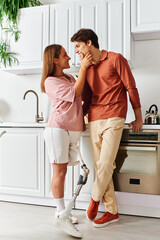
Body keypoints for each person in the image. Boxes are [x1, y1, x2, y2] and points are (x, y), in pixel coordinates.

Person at [71, 29, 143, 228]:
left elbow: (131, 87)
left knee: (105, 163)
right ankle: (111, 211)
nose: (76, 51)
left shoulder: (115, 59)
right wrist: (77, 120)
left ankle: (94, 199)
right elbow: (86, 99)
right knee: (101, 166)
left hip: (114, 116)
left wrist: (138, 117)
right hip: (94, 119)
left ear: (89, 42)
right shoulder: (85, 68)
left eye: (78, 46)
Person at [41, 44, 92, 238]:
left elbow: (81, 96)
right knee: (59, 170)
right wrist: (84, 67)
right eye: (64, 55)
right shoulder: (50, 81)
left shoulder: (69, 77)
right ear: (54, 59)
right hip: (58, 128)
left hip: (72, 128)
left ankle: (63, 212)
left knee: (65, 170)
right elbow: (76, 93)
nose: (69, 57)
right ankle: (61, 213)